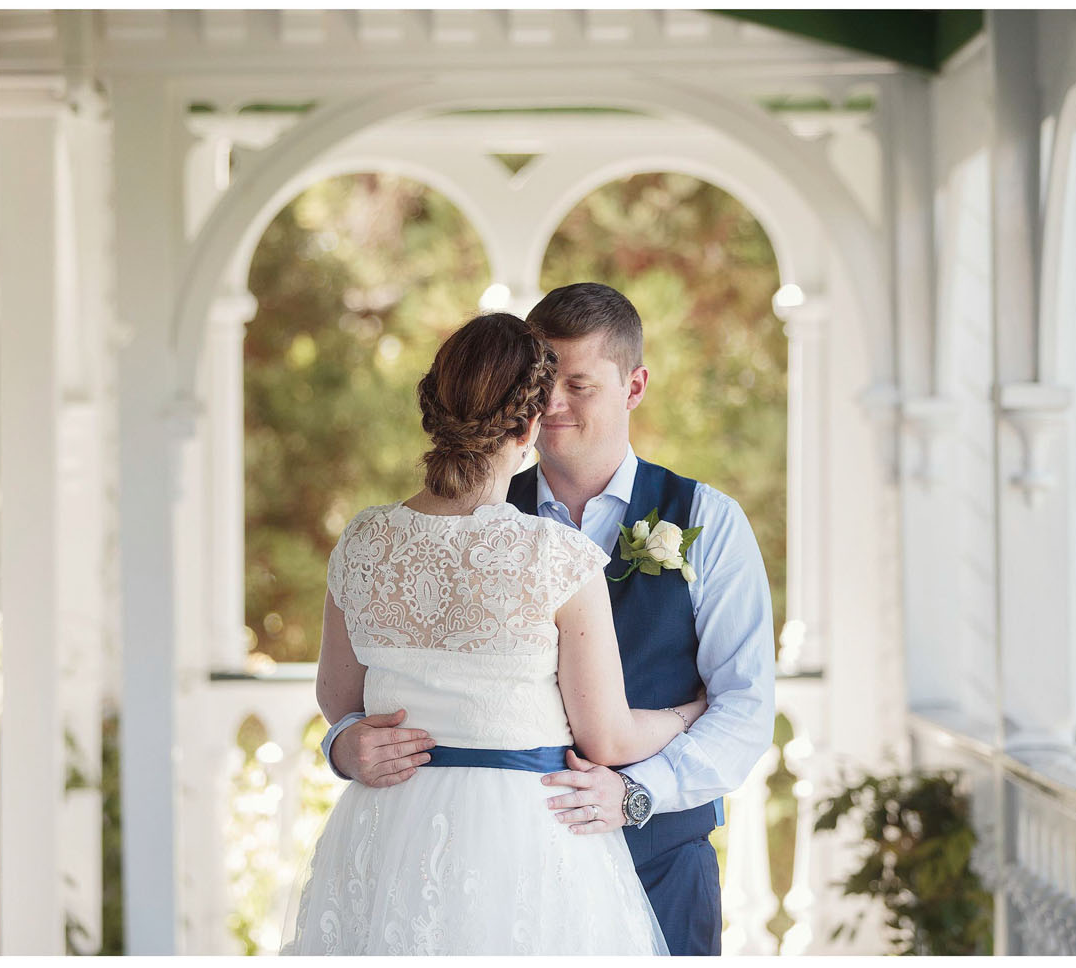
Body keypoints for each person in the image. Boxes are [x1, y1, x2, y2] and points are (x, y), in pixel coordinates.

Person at [320, 283, 777, 956]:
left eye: (579, 384)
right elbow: (358, 697)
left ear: (635, 385)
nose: (555, 404)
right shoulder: (492, 530)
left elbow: (745, 708)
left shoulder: (708, 521)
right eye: (542, 386)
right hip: (485, 865)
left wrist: (636, 795)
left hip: (660, 860)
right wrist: (345, 742)